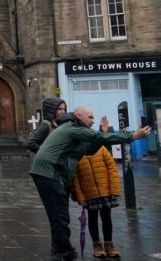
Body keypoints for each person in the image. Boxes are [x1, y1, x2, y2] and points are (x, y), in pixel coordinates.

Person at [30, 106, 151, 261]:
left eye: (93, 117)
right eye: (90, 117)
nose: (93, 120)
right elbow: (99, 139)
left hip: (49, 173)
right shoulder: (72, 128)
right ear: (78, 116)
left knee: (58, 215)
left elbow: (88, 150)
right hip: (48, 172)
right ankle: (63, 252)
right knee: (59, 215)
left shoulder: (74, 131)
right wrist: (132, 136)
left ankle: (61, 251)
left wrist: (102, 134)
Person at [70, 144, 120, 258]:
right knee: (92, 218)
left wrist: (114, 189)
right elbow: (75, 177)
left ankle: (109, 245)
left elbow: (112, 169)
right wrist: (80, 196)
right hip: (89, 193)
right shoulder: (77, 153)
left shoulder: (102, 149)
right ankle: (97, 246)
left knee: (106, 217)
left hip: (105, 191)